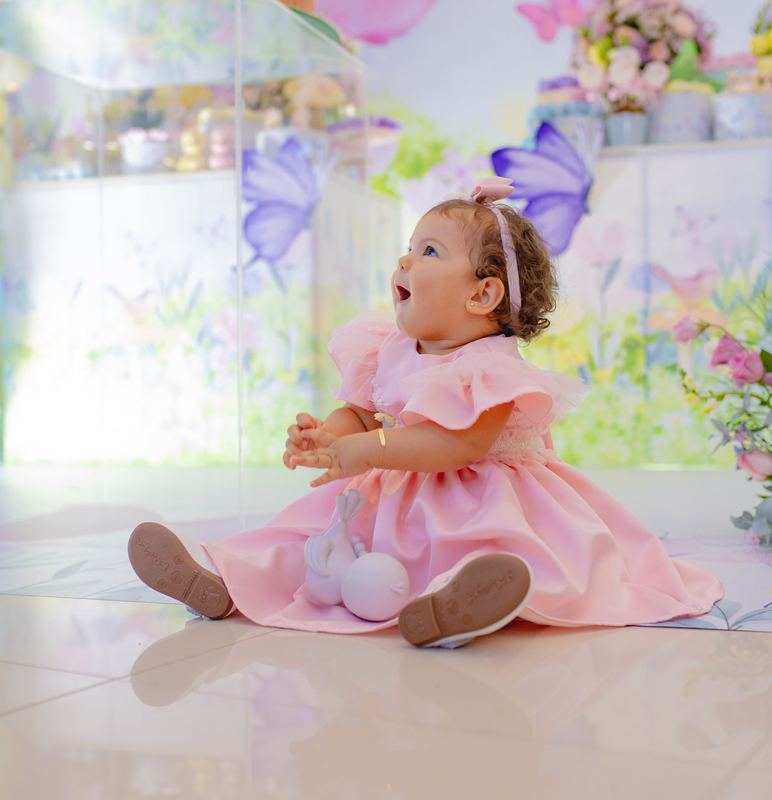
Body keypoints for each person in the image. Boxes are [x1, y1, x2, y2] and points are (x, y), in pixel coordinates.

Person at [128, 177, 723, 648]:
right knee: (307, 533)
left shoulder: (490, 369)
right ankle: (223, 580)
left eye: (429, 251)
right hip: (390, 495)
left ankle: (454, 605)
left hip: (480, 499)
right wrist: (330, 436)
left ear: (483, 294)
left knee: (483, 547)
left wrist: (365, 451)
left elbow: (459, 446)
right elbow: (363, 415)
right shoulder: (386, 348)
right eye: (409, 248)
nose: (405, 261)